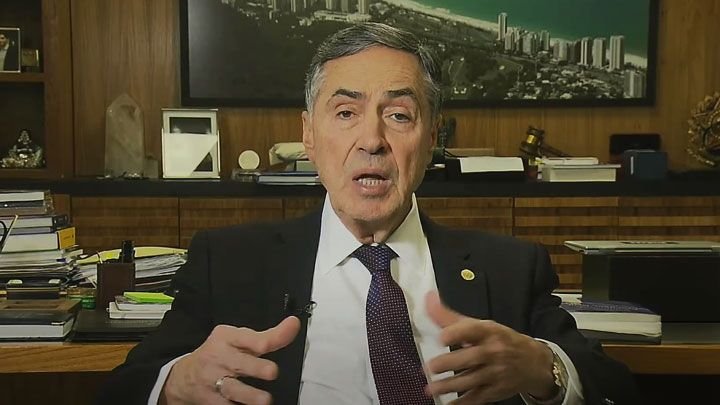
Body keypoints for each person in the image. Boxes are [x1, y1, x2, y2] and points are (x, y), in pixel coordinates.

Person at [98, 23, 638, 405]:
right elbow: (124, 388)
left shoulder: (510, 267)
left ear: (431, 138)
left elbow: (616, 387)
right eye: (346, 112)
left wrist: (543, 369)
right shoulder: (229, 261)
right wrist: (176, 383)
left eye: (399, 115)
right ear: (309, 135)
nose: (372, 140)